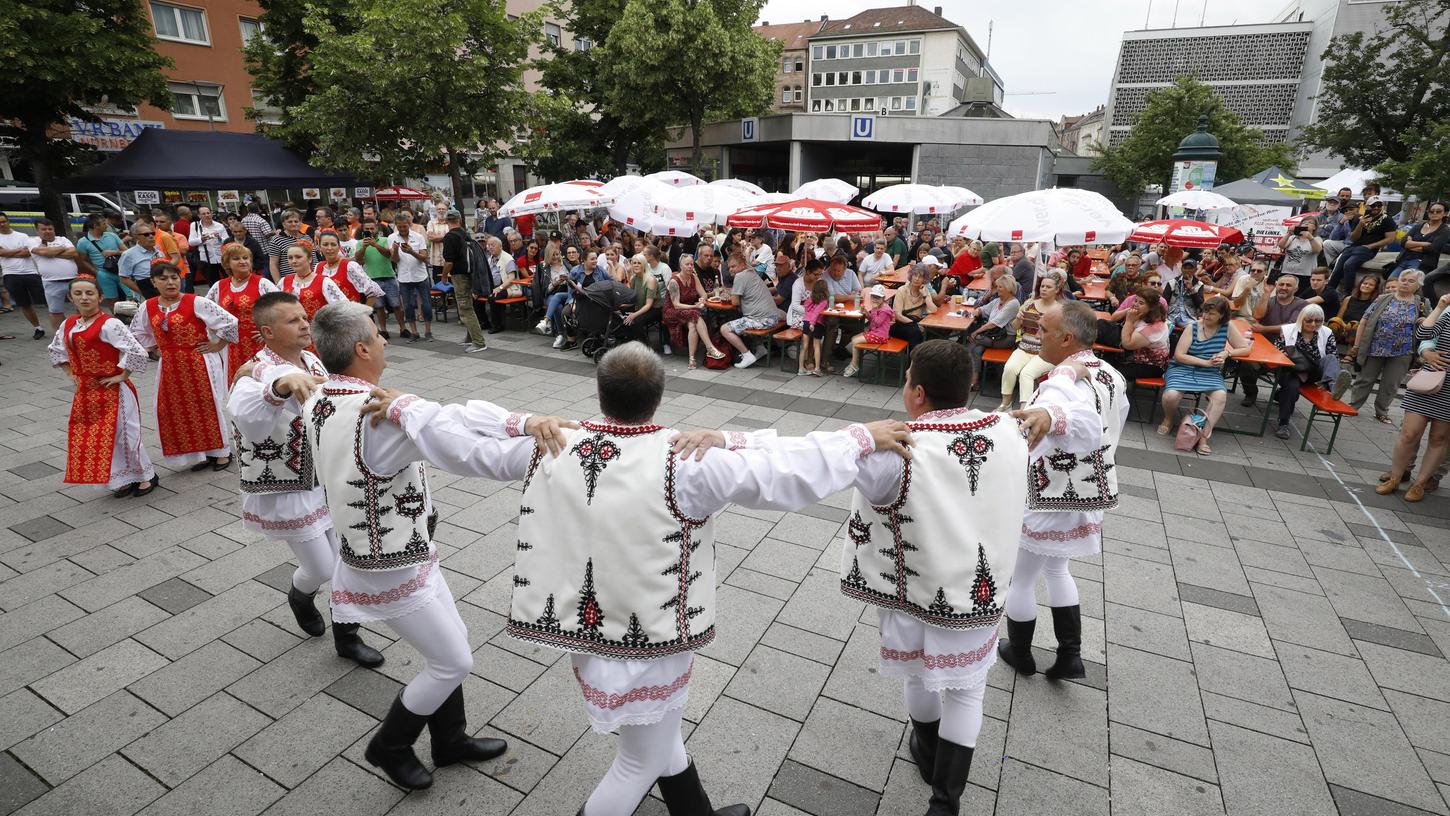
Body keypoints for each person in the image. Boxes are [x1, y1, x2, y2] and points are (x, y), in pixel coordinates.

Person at [365, 340, 907, 815]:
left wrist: (412, 406)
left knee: (656, 733)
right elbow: (787, 470)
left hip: (586, 628)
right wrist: (858, 437)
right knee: (636, 763)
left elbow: (460, 442)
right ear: (660, 396)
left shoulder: (550, 444)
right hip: (652, 639)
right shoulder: (687, 460)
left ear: (600, 393)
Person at [296, 301, 572, 791]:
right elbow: (468, 449)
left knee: (453, 643)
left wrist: (515, 419)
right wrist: (536, 434)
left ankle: (451, 741)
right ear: (361, 349)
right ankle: (390, 745)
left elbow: (443, 419)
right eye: (378, 336)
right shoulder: (378, 416)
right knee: (453, 661)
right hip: (390, 563)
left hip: (396, 548)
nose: (384, 341)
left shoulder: (320, 395)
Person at [839, 339, 1028, 815]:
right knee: (967, 691)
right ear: (969, 385)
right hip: (978, 592)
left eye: (906, 381)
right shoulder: (1010, 430)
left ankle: (926, 751)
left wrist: (734, 443)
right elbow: (1040, 417)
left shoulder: (895, 450)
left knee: (919, 672)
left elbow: (808, 470)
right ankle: (945, 802)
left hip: (910, 589)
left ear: (917, 393)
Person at [225, 291, 384, 666]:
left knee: (348, 561)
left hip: (327, 481)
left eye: (303, 317)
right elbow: (245, 413)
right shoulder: (254, 371)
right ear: (267, 331)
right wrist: (277, 388)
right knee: (323, 567)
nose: (303, 324)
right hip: (289, 487)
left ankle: (347, 636)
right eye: (293, 320)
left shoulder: (313, 359)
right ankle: (300, 594)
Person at [999, 302, 1127, 684]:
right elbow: (1114, 425)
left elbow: (1077, 424)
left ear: (1067, 338)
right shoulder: (1112, 374)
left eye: (1044, 329)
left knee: (1020, 578)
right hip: (1091, 490)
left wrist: (1048, 412)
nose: (1036, 335)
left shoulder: (1065, 380)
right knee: (1057, 567)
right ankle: (1069, 654)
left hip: (1049, 492)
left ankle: (1021, 652)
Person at [49, 277, 157, 496]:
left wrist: (122, 375)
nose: (84, 297)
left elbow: (136, 351)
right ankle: (123, 477)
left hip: (113, 389)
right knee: (99, 436)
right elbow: (56, 349)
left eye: (89, 293)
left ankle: (146, 475)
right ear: (71, 298)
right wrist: (71, 372)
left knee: (125, 433)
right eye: (78, 293)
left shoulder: (110, 323)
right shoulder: (68, 324)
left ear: (100, 296)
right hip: (87, 391)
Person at [129, 262, 238, 471]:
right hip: (170, 365)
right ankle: (201, 454)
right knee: (174, 409)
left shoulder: (195, 301)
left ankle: (221, 453)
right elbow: (136, 333)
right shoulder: (148, 306)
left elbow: (230, 322)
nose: (170, 282)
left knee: (207, 404)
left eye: (174, 277)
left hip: (199, 361)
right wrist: (153, 348)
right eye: (163, 279)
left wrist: (218, 345)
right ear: (153, 282)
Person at [1378, 295, 1450, 501]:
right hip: (1430, 376)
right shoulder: (1448, 313)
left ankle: (1419, 484)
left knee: (1439, 438)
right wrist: (1440, 306)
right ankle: (1395, 477)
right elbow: (1424, 333)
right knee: (1409, 433)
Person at [1157, 296, 1251, 454]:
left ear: (1221, 315)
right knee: (1171, 395)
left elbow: (1245, 348)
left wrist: (1226, 353)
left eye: (1211, 314)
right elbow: (1179, 355)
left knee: (1220, 396)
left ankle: (1203, 436)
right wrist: (1205, 363)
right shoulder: (1193, 326)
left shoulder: (1226, 327)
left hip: (1209, 372)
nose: (1206, 316)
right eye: (1205, 312)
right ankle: (1168, 418)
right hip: (1183, 368)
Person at [1345, 269, 1431, 423]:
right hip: (1376, 345)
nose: (1405, 283)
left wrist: (1424, 321)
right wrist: (1357, 345)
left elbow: (1432, 324)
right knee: (1365, 379)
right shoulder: (1383, 298)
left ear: (1418, 285)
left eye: (1411, 281)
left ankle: (1381, 411)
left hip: (1403, 350)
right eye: (1403, 279)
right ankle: (1353, 406)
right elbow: (1364, 321)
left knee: (1391, 383)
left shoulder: (1423, 303)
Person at [205, 242, 279, 382]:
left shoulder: (262, 283)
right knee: (237, 382)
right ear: (227, 263)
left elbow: (282, 308)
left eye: (246, 258)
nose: (243, 261)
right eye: (237, 258)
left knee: (263, 382)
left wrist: (272, 331)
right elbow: (206, 313)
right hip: (231, 346)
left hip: (259, 343)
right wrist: (217, 336)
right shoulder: (219, 286)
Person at [999, 269, 1065, 411]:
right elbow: (1015, 327)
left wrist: (1046, 325)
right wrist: (1019, 318)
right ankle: (1005, 404)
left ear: (1057, 290)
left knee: (1026, 374)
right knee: (1009, 368)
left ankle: (1025, 409)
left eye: (1048, 287)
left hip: (1046, 352)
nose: (1044, 289)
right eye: (1042, 286)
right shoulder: (1030, 304)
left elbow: (1061, 337)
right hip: (1024, 347)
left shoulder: (1060, 310)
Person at [1270, 305, 1339, 439]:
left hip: (1315, 372)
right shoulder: (1288, 330)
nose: (1313, 324)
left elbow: (1333, 355)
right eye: (1309, 320)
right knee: (1291, 387)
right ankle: (1283, 424)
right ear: (1301, 319)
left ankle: (1332, 386)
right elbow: (1277, 351)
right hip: (1292, 370)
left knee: (1330, 359)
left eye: (1318, 321)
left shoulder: (1327, 332)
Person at [1241, 272, 1307, 407]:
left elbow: (1291, 327)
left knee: (1292, 382)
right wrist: (1266, 293)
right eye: (1281, 284)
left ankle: (1281, 394)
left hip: (1288, 352)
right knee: (1246, 364)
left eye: (1288, 285)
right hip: (1262, 348)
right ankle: (1251, 393)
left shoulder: (1302, 304)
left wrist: (1264, 329)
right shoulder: (1269, 300)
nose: (1284, 287)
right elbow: (1257, 315)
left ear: (1296, 289)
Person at [720, 253, 783, 369]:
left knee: (724, 329)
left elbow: (735, 302)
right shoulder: (751, 272)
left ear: (743, 265)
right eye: (729, 267)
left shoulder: (740, 276)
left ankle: (747, 354)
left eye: (734, 266)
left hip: (763, 320)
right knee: (746, 318)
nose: (731, 270)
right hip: (772, 317)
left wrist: (728, 296)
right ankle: (760, 349)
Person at [662, 253, 724, 369]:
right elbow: (676, 305)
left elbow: (704, 294)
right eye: (687, 264)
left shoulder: (694, 277)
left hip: (689, 311)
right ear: (681, 266)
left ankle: (692, 360)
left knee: (692, 324)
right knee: (695, 314)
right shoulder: (674, 281)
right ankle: (710, 348)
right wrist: (695, 306)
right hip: (671, 311)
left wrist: (702, 299)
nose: (690, 266)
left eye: (691, 264)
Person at [440, 210, 488, 352]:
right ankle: (470, 338)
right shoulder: (464, 234)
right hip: (470, 274)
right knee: (468, 306)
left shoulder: (449, 237)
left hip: (459, 276)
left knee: (465, 308)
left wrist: (443, 276)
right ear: (460, 220)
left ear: (446, 221)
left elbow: (449, 262)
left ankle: (479, 342)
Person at [353, 216, 408, 339]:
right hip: (372, 279)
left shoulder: (384, 240)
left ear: (376, 228)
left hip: (388, 276)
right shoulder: (360, 243)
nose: (370, 230)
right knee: (379, 307)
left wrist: (375, 245)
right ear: (363, 229)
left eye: (372, 228)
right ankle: (384, 330)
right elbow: (359, 260)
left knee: (396, 304)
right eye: (367, 228)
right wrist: (364, 247)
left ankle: (403, 328)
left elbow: (389, 255)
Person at [1331, 195, 1397, 294]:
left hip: (1368, 249)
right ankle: (1328, 291)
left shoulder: (1387, 219)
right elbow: (1353, 238)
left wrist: (1370, 246)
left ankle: (1348, 294)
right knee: (1337, 267)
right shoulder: (1359, 218)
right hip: (1354, 246)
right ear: (1367, 206)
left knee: (1349, 265)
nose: (1376, 207)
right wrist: (1360, 225)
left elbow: (1390, 239)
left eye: (1379, 205)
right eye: (1373, 205)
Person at [965, 274, 1020, 392]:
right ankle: (975, 381)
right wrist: (976, 311)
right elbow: (984, 309)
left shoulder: (1013, 304)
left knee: (971, 339)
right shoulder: (997, 301)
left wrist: (976, 332)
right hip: (992, 336)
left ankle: (971, 378)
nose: (997, 288)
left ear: (1008, 288)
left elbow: (995, 323)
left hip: (1005, 338)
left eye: (1000, 286)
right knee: (976, 349)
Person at [0, 211, 47, 339]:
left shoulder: (22, 235)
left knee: (46, 300)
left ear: (8, 221)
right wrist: (18, 250)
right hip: (10, 274)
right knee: (24, 304)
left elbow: (29, 252)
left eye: (4, 221)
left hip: (30, 273)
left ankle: (60, 325)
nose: (2, 224)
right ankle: (38, 328)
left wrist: (7, 252)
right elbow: (2, 253)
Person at [28, 217, 80, 331]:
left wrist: (51, 253)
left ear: (54, 229)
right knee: (55, 311)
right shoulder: (32, 241)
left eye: (50, 228)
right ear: (37, 231)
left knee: (81, 308)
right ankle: (60, 336)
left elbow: (73, 252)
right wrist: (62, 249)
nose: (47, 231)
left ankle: (84, 332)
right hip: (51, 282)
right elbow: (41, 252)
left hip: (73, 281)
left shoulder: (62, 239)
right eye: (43, 229)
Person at [390, 212, 433, 342]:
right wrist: (396, 250)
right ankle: (414, 332)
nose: (402, 229)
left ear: (409, 224)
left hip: (420, 276)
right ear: (396, 226)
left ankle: (428, 331)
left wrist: (411, 252)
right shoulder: (392, 238)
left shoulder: (418, 237)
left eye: (405, 226)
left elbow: (424, 258)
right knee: (408, 306)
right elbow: (394, 260)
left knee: (426, 304)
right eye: (400, 227)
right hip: (404, 277)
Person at [280, 242, 348, 320]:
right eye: (290, 258)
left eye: (298, 257)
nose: (294, 261)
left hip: (318, 329)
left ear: (310, 259)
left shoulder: (324, 282)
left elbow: (343, 307)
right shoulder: (284, 281)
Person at [1116, 289, 1172, 381]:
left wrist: (1129, 321)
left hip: (1151, 366)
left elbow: (1127, 344)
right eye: (1136, 300)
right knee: (1108, 359)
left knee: (1117, 374)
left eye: (1141, 303)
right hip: (1136, 357)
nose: (1135, 304)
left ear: (1151, 307)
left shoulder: (1155, 327)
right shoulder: (1143, 315)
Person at [316, 231, 382, 305]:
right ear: (319, 247)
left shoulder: (350, 266)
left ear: (339, 247)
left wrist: (363, 313)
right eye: (325, 244)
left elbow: (373, 291)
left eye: (333, 244)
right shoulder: (318, 267)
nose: (329, 248)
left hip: (351, 314)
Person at [842, 284, 895, 378]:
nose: (875, 299)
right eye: (873, 297)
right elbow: (872, 320)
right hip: (874, 333)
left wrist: (873, 310)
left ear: (883, 298)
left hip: (880, 336)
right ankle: (856, 361)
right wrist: (866, 313)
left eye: (878, 297)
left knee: (855, 341)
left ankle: (854, 365)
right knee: (854, 338)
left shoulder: (884, 310)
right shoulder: (878, 307)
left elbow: (877, 322)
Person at [78, 214, 126, 310]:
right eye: (104, 223)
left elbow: (127, 251)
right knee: (112, 300)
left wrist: (115, 252)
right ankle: (117, 322)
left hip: (122, 271)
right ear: (96, 226)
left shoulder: (112, 236)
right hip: (104, 274)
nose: (106, 225)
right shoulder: (83, 242)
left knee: (132, 296)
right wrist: (96, 272)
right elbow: (82, 260)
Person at [1391, 200, 1448, 279]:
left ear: (1445, 213)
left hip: (1422, 263)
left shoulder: (1445, 230)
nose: (1434, 213)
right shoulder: (1418, 226)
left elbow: (1433, 249)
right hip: (1403, 259)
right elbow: (1403, 242)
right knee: (1390, 282)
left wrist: (1410, 243)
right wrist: (1425, 244)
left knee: (1408, 284)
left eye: (1438, 211)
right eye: (1431, 211)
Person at [1329, 273, 1383, 351]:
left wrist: (1351, 327)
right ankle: (1330, 348)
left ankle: (1350, 353)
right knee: (1334, 320)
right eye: (1365, 283)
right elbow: (1339, 317)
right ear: (1360, 284)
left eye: (1371, 285)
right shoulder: (1348, 299)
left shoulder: (1375, 303)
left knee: (1354, 324)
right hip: (1344, 329)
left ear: (1375, 288)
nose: (1367, 286)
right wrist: (1346, 327)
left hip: (1359, 333)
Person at [889, 264, 937, 351]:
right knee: (915, 333)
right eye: (915, 275)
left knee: (931, 333)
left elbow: (933, 310)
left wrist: (925, 296)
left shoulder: (924, 291)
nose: (917, 278)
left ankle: (915, 360)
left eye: (920, 276)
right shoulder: (902, 290)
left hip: (914, 324)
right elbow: (898, 315)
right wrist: (915, 324)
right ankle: (915, 361)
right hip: (898, 324)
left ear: (924, 279)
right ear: (911, 276)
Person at [118, 220, 164, 300]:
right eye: (146, 234)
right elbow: (124, 278)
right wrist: (143, 293)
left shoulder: (158, 251)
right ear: (136, 237)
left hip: (162, 290)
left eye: (152, 233)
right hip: (145, 292)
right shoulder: (129, 254)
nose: (151, 236)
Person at [1278, 217, 1322, 294]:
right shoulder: (1293, 238)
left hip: (1305, 275)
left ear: (1314, 227)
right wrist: (1289, 233)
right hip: (1287, 272)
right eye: (1304, 222)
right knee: (1285, 294)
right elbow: (1281, 245)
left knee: (1300, 297)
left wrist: (1310, 237)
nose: (1306, 223)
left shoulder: (1317, 239)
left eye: (1310, 222)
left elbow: (1317, 250)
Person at [622, 253, 660, 344]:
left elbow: (648, 305)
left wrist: (634, 315)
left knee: (636, 321)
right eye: (634, 263)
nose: (636, 265)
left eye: (639, 263)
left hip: (655, 309)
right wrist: (620, 305)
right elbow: (631, 297)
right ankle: (631, 339)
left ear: (644, 265)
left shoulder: (650, 280)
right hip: (640, 305)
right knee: (622, 310)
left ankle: (645, 345)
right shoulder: (634, 278)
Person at [798, 277, 831, 376]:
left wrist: (809, 322)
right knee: (816, 346)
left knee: (804, 346)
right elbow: (817, 312)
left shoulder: (811, 299)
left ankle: (801, 368)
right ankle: (817, 368)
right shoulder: (824, 301)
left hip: (806, 322)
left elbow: (806, 306)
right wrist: (813, 323)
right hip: (817, 324)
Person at [188, 206, 228, 286]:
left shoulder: (219, 225)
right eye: (203, 214)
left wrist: (219, 237)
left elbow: (227, 240)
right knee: (213, 283)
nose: (207, 215)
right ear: (199, 216)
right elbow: (191, 242)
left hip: (222, 257)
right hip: (206, 259)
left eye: (208, 213)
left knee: (228, 279)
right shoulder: (195, 225)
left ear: (211, 213)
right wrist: (201, 239)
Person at [267, 209, 311, 281]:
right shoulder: (276, 240)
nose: (293, 224)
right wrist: (278, 284)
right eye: (290, 222)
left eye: (296, 221)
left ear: (300, 223)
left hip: (309, 279)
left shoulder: (307, 238)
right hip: (289, 282)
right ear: (284, 224)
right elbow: (273, 264)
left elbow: (313, 259)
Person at [425, 202, 450, 283]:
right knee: (438, 286)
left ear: (447, 210)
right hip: (436, 261)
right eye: (439, 209)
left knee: (451, 285)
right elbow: (430, 237)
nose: (441, 211)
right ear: (436, 211)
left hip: (450, 261)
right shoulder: (431, 223)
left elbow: (453, 238)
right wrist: (447, 236)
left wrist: (438, 237)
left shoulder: (450, 223)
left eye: (443, 209)